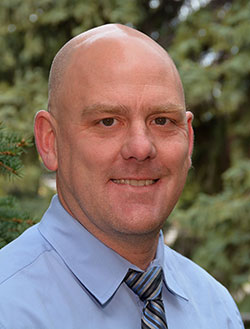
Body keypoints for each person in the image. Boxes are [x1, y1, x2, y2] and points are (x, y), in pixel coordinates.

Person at [0, 24, 244, 329]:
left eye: (162, 120)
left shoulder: (215, 309)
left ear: (189, 140)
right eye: (107, 122)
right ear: (50, 141)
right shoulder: (7, 307)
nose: (141, 148)